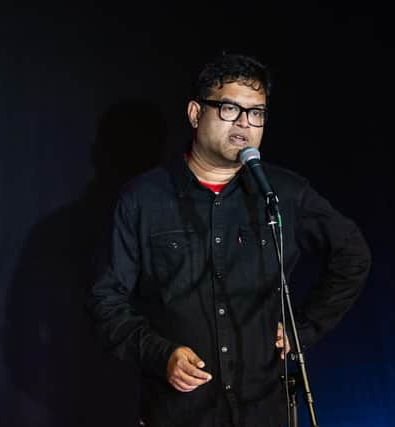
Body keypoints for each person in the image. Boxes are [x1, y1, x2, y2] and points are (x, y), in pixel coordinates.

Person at [86, 53, 371, 427]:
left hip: (266, 409)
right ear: (194, 113)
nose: (244, 123)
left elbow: (352, 255)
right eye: (229, 108)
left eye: (257, 113)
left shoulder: (283, 193)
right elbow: (106, 298)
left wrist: (304, 328)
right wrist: (161, 354)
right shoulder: (143, 198)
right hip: (180, 413)